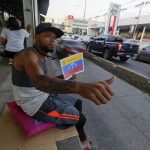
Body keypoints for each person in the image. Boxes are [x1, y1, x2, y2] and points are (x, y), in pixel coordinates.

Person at [12, 23, 115, 150]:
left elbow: (44, 81)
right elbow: (39, 82)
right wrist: (78, 87)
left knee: (78, 103)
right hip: (35, 104)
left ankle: (71, 124)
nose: (53, 40)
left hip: (43, 94)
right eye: (48, 36)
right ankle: (83, 142)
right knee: (81, 118)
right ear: (36, 37)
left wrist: (63, 77)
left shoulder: (42, 56)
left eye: (54, 37)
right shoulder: (28, 54)